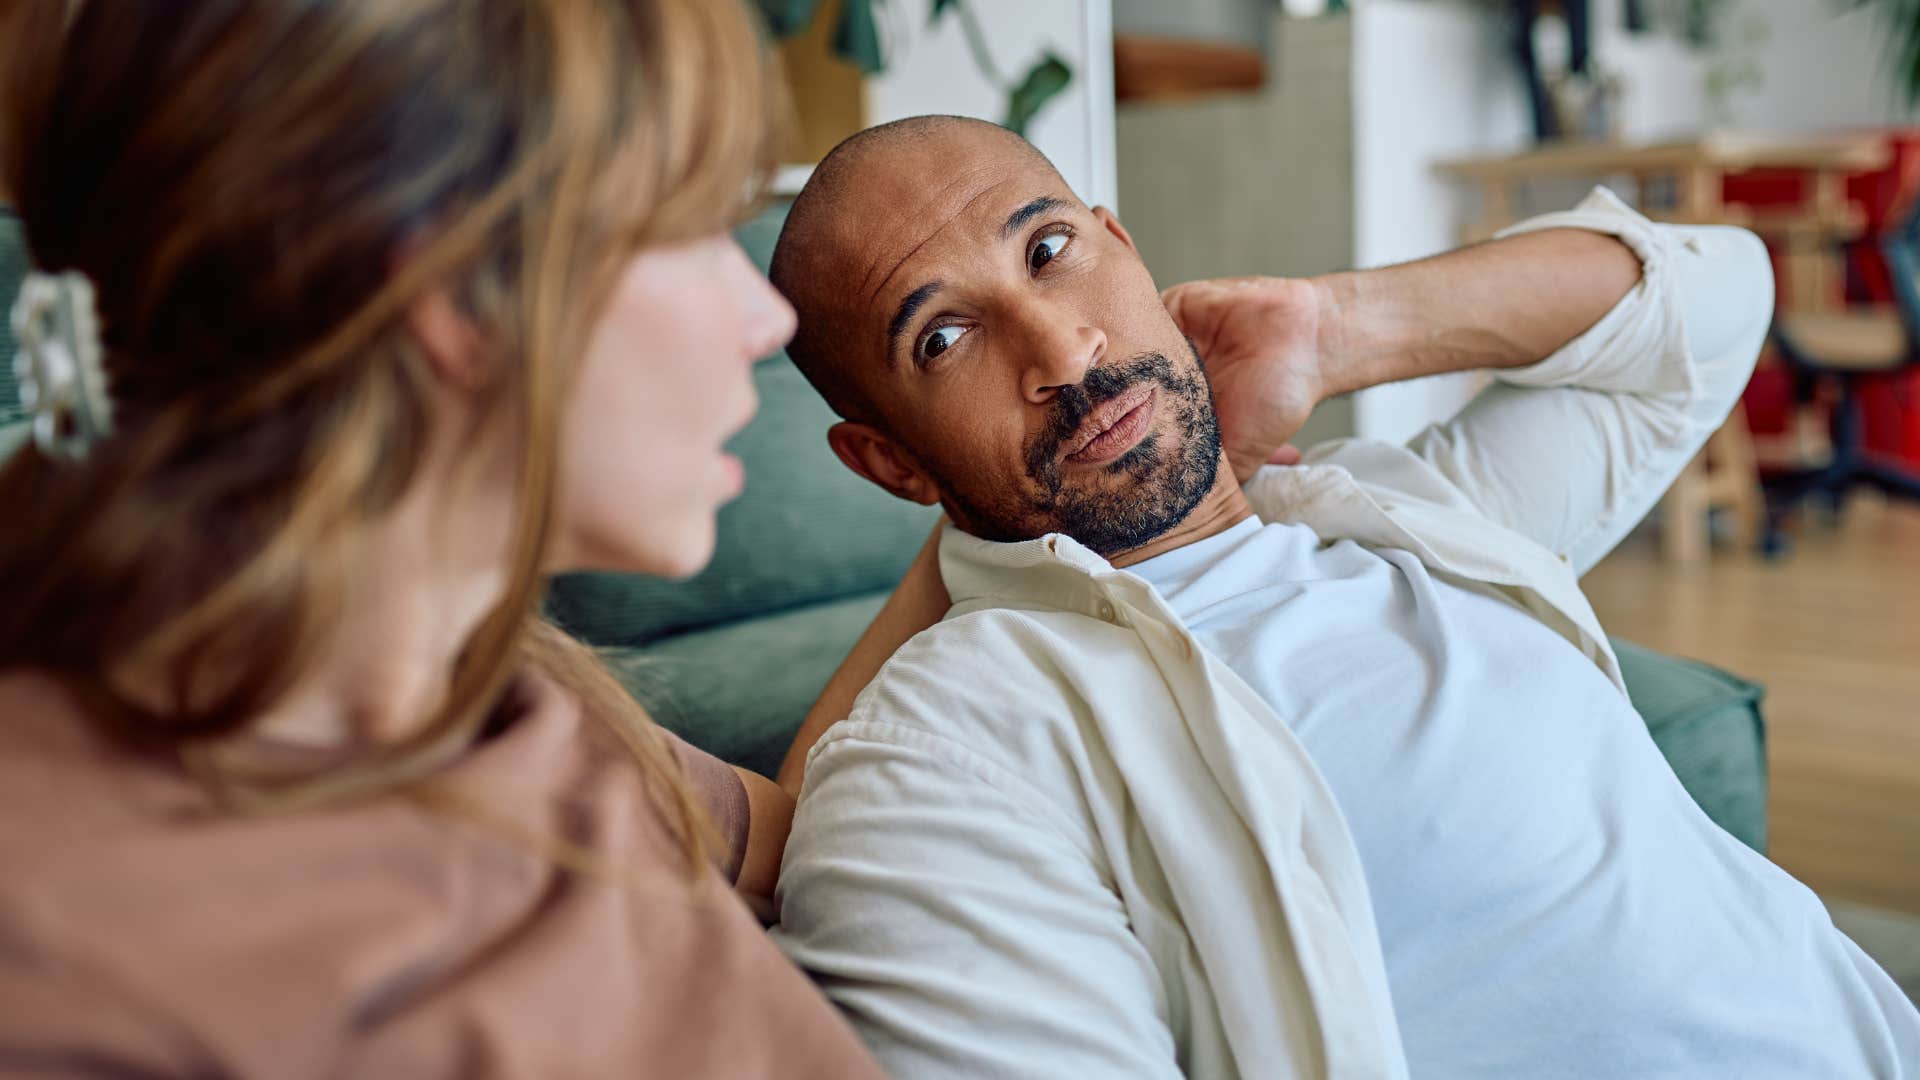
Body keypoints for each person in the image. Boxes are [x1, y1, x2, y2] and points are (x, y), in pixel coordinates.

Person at [766, 115, 1920, 1077]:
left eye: (1052, 249)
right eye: (946, 336)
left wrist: (1337, 330)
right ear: (888, 464)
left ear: (1126, 244)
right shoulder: (957, 741)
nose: (1063, 351)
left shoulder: (1402, 513)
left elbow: (1717, 297)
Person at [0, 2, 944, 1075]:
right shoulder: (75, 967)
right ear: (450, 294)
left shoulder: (518, 700)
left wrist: (981, 531)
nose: (765, 318)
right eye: (694, 230)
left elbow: (814, 841)